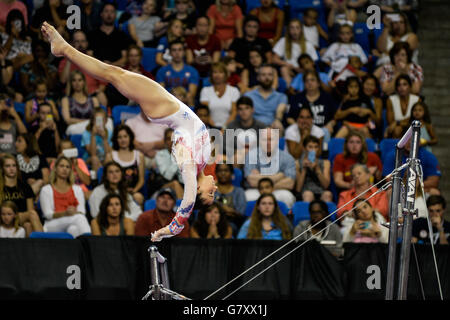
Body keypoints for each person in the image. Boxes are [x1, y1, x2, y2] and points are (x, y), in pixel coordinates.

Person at [41, 21, 217, 241]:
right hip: (167, 106)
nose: (215, 187)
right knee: (113, 73)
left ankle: (64, 48)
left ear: (199, 189)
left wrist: (172, 228)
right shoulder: (205, 164)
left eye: (211, 193)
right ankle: (65, 48)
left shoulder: (188, 166)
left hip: (164, 108)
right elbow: (208, 172)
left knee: (113, 73)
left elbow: (189, 199)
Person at [39, 156, 91, 238]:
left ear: (70, 170)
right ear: (55, 169)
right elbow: (47, 215)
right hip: (52, 224)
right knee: (79, 218)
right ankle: (92, 243)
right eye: (61, 166)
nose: (65, 169)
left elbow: (82, 211)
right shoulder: (46, 190)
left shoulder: (77, 189)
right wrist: (65, 213)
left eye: (68, 167)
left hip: (72, 220)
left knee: (73, 229)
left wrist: (72, 213)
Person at [244, 128, 296, 208]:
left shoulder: (288, 158)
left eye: (270, 139)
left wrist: (261, 179)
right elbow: (251, 181)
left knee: (287, 197)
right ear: (260, 141)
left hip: (278, 190)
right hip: (256, 190)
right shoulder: (251, 156)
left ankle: (284, 220)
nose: (268, 143)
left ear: (277, 140)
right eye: (264, 140)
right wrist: (279, 176)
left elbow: (290, 183)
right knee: (248, 197)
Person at [286, 70, 337, 143]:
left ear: (319, 83)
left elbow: (335, 117)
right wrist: (298, 127)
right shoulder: (296, 98)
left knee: (325, 131)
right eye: (307, 81)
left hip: (322, 129)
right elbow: (289, 117)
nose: (309, 83)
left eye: (312, 80)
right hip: (301, 129)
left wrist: (330, 124)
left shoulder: (327, 98)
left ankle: (324, 154)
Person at [0, 153, 43, 235]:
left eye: (14, 166)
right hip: (4, 217)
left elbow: (30, 209)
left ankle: (38, 245)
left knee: (28, 225)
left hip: (20, 218)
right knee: (31, 214)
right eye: (7, 166)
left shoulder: (25, 186)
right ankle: (45, 243)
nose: (11, 169)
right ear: (2, 169)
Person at [58, 30, 107, 100]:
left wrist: (96, 93)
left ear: (87, 43)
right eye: (77, 41)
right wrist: (69, 58)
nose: (80, 44)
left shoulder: (95, 61)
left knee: (101, 96)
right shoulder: (65, 61)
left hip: (92, 95)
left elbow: (103, 83)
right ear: (72, 44)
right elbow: (63, 81)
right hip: (72, 97)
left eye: (83, 41)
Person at [105, 124, 145, 207]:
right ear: (116, 139)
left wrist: (133, 191)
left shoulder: (139, 156)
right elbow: (107, 178)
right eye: (119, 137)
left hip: (133, 192)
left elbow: (141, 180)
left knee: (138, 197)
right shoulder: (110, 156)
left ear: (130, 137)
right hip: (114, 192)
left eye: (125, 136)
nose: (123, 140)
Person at [272, 18, 318, 87]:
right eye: (292, 28)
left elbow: (313, 62)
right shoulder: (283, 41)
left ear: (301, 30)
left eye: (297, 28)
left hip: (304, 70)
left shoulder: (308, 44)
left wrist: (303, 69)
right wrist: (290, 65)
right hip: (290, 69)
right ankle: (290, 90)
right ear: (288, 30)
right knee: (284, 69)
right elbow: (274, 59)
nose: (295, 31)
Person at [243, 64, 287, 132]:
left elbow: (280, 111)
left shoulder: (281, 96)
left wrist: (277, 120)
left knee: (279, 126)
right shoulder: (248, 96)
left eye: (270, 75)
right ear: (258, 77)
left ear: (273, 77)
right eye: (263, 75)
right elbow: (245, 115)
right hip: (252, 128)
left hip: (272, 127)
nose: (267, 77)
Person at [87, 2, 132, 67]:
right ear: (101, 14)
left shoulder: (122, 35)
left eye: (112, 11)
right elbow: (89, 55)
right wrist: (102, 65)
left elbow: (125, 58)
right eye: (106, 11)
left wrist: (111, 65)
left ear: (116, 15)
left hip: (115, 71)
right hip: (96, 69)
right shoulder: (92, 35)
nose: (109, 14)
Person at [156, 40, 199, 107]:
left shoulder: (192, 71)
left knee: (190, 99)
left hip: (186, 104)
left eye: (180, 50)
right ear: (170, 53)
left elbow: (191, 94)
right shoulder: (162, 71)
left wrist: (179, 99)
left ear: (184, 52)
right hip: (168, 103)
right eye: (174, 50)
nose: (177, 53)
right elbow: (161, 93)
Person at [199, 62, 240, 129]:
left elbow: (234, 112)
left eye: (220, 72)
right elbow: (205, 113)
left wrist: (224, 128)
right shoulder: (205, 91)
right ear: (211, 75)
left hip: (230, 128)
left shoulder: (234, 91)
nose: (217, 75)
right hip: (210, 128)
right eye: (215, 72)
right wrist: (216, 129)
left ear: (225, 75)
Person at [61, 70, 101, 135]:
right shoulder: (66, 100)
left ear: (84, 82)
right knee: (71, 129)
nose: (77, 83)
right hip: (75, 130)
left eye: (80, 80)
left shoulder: (94, 100)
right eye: (74, 80)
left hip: (92, 129)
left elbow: (99, 117)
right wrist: (87, 122)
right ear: (71, 83)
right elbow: (67, 120)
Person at [295, 136, 333, 202]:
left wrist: (317, 169)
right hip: (305, 192)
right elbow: (298, 188)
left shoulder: (325, 162)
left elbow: (326, 185)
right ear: (304, 148)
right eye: (310, 147)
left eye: (316, 147)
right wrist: (304, 169)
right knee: (308, 195)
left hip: (321, 191)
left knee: (328, 194)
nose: (313, 150)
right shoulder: (297, 163)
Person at [384, 74, 420, 138]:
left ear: (410, 86)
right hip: (396, 130)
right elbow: (390, 122)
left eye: (404, 84)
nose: (401, 87)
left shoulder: (417, 99)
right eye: (399, 85)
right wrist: (402, 123)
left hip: (413, 128)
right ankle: (397, 147)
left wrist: (398, 122)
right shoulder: (390, 99)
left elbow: (417, 119)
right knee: (396, 130)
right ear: (396, 88)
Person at [153, 128, 184, 199]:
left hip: (182, 186)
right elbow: (167, 176)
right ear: (165, 142)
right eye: (168, 139)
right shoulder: (160, 155)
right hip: (163, 185)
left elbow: (183, 180)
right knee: (175, 184)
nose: (172, 141)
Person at [215, 163, 246, 232]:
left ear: (231, 173)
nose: (223, 173)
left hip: (233, 224)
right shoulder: (211, 190)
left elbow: (241, 214)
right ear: (216, 173)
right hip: (211, 222)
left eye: (226, 170)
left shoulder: (239, 192)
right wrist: (227, 210)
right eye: (220, 171)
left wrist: (222, 209)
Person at [81, 107, 112, 172]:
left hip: (104, 158)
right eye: (97, 120)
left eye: (102, 120)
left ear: (106, 121)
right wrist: (93, 135)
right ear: (92, 121)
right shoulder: (86, 133)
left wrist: (104, 138)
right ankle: (97, 181)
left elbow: (108, 152)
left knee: (109, 156)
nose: (99, 122)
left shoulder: (109, 132)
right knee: (95, 158)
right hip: (90, 159)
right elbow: (92, 153)